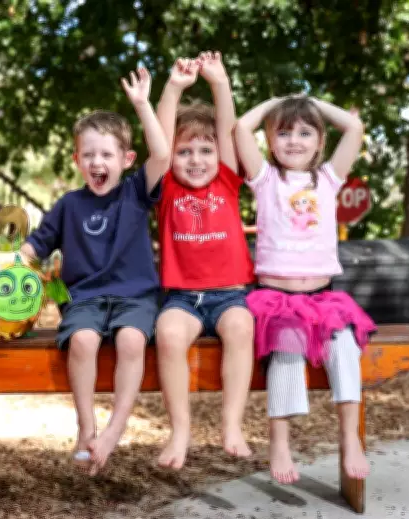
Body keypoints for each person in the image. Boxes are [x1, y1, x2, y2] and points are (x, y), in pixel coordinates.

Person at [20, 66, 170, 475]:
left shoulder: (136, 192)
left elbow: (162, 156)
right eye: (88, 155)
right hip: (85, 299)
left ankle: (114, 430)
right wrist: (8, 266)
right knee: (83, 341)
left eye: (106, 155)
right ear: (77, 161)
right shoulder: (69, 204)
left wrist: (142, 105)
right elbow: (35, 246)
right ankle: (86, 426)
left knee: (132, 341)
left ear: (126, 160)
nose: (97, 162)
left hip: (134, 297)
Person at [235, 95, 376, 484]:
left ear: (320, 142)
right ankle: (279, 442)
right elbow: (241, 128)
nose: (294, 141)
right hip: (277, 300)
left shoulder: (329, 179)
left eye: (304, 133)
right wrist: (276, 102)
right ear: (270, 140)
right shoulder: (265, 179)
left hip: (323, 298)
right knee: (287, 351)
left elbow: (354, 127)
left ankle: (349, 437)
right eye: (283, 133)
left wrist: (311, 101)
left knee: (345, 349)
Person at [154, 52, 255, 470]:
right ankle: (180, 431)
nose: (196, 159)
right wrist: (173, 88)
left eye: (205, 150)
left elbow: (229, 129)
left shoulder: (227, 180)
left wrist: (220, 83)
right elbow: (159, 140)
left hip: (229, 296)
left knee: (242, 327)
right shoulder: (167, 187)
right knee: (168, 334)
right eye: (185, 151)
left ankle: (232, 425)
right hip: (182, 299)